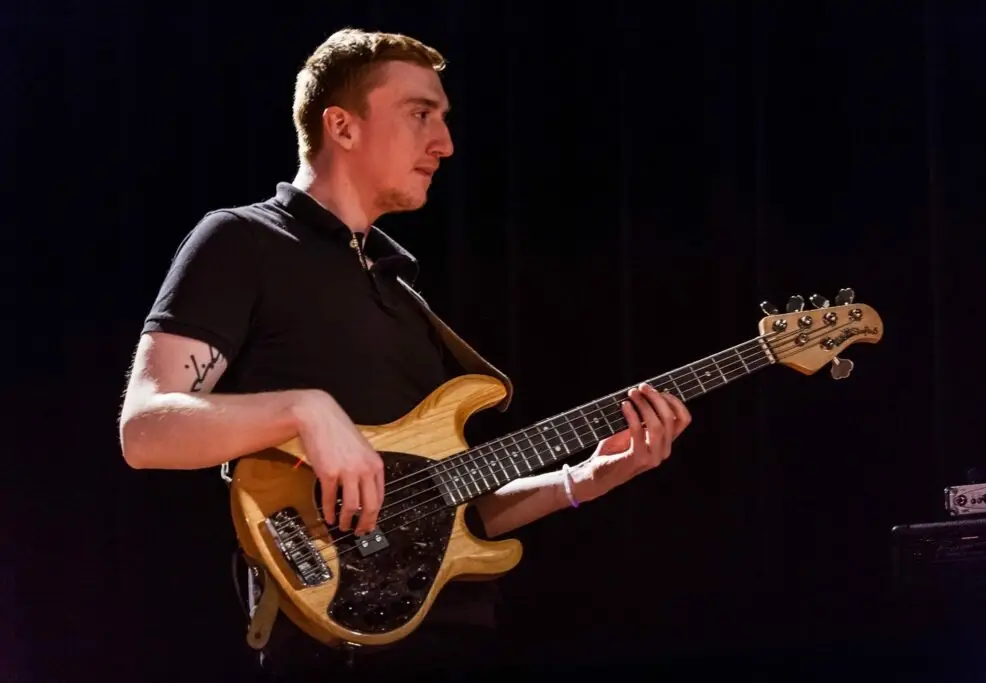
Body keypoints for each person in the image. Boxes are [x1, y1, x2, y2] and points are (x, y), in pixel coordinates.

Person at [117, 27, 692, 680]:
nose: (445, 144)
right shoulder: (243, 240)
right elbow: (145, 429)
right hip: (326, 648)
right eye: (421, 114)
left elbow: (445, 506)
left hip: (448, 636)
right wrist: (304, 410)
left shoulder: (400, 291)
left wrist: (582, 480)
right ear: (343, 126)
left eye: (443, 120)